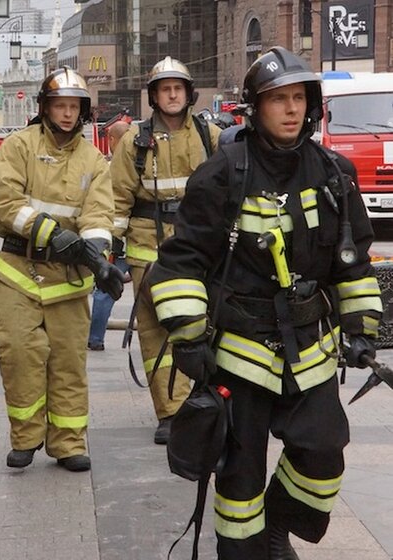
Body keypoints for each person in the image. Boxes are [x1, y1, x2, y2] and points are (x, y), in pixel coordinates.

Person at [147, 46, 381, 560]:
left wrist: (361, 328)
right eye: (279, 99)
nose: (291, 109)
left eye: (299, 98)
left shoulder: (335, 173)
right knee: (241, 475)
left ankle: (280, 526)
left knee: (323, 450)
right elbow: (179, 263)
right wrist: (189, 340)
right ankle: (247, 552)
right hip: (239, 351)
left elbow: (353, 261)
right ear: (256, 107)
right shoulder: (222, 173)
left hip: (310, 348)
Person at [0, 67, 125, 472]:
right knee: (19, 354)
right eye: (59, 105)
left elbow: (100, 213)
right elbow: (5, 201)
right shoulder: (18, 146)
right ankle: (26, 438)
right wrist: (52, 234)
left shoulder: (94, 160)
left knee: (68, 361)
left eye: (74, 107)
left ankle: (68, 443)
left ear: (83, 112)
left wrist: (100, 260)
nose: (67, 114)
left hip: (68, 278)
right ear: (45, 108)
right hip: (19, 271)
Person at [110, 56, 221, 444]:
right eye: (164, 89)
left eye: (177, 88)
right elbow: (118, 198)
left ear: (188, 94)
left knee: (207, 324)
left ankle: (204, 398)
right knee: (156, 331)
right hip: (148, 249)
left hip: (201, 247)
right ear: (154, 97)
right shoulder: (134, 142)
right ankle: (170, 411)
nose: (171, 94)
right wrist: (110, 251)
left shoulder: (211, 136)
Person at [88, 120, 132, 351]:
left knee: (105, 290)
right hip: (147, 243)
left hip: (119, 243)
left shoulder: (112, 168)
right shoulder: (145, 161)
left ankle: (95, 339)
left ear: (113, 140)